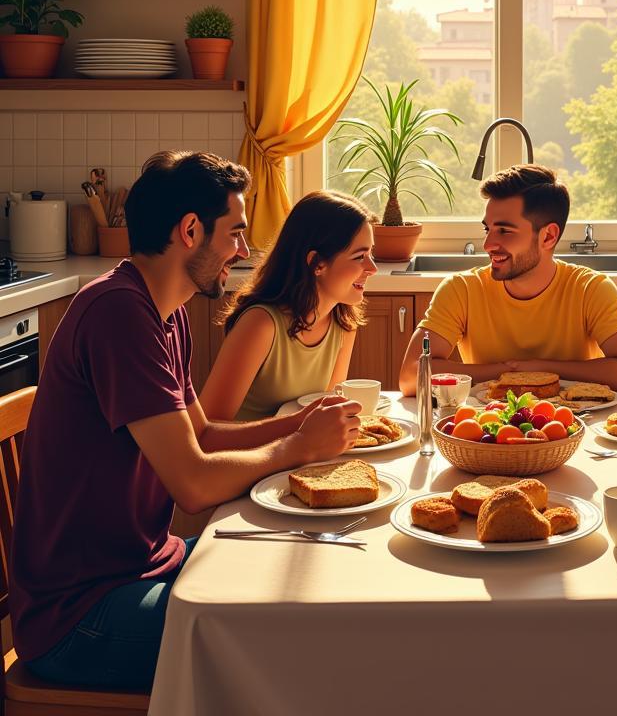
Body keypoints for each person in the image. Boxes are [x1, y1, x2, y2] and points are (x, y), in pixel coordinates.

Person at [10, 152, 362, 691]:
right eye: (236, 234)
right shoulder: (117, 313)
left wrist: (300, 425)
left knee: (315, 567)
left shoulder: (164, 311)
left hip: (148, 563)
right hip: (80, 616)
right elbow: (194, 485)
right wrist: (296, 449)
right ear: (191, 230)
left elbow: (203, 434)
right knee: (302, 642)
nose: (243, 252)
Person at [398, 164, 617, 396]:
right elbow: (411, 376)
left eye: (505, 231)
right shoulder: (461, 289)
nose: (488, 244)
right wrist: (514, 373)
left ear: (548, 237)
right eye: (488, 229)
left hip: (573, 427)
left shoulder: (589, 289)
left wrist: (538, 368)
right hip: (485, 431)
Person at [200, 190, 377, 421]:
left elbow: (328, 413)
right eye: (359, 256)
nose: (372, 267)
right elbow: (208, 427)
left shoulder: (343, 324)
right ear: (317, 263)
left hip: (301, 454)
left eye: (371, 253)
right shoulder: (261, 324)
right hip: (247, 455)